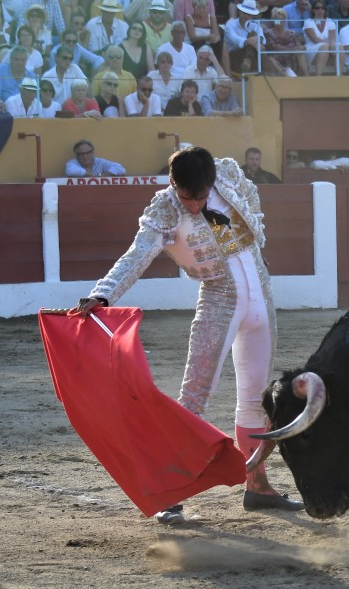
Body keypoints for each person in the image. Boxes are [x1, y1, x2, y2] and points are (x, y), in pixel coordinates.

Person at [71, 146, 304, 522]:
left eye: (200, 197)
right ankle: (168, 493)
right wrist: (104, 292)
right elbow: (138, 253)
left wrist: (258, 239)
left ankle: (257, 484)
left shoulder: (227, 175)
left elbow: (253, 200)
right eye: (186, 197)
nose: (193, 206)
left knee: (257, 400)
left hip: (262, 299)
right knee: (193, 397)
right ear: (172, 184)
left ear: (210, 183)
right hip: (217, 301)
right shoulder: (165, 208)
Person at [263, 7, 308, 76]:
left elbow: (297, 45)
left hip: (290, 58)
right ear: (273, 20)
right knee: (270, 59)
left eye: (283, 20)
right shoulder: (268, 33)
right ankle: (284, 75)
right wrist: (291, 49)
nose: (281, 22)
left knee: (300, 53)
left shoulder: (291, 33)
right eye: (278, 20)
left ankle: (307, 76)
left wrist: (301, 47)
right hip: (276, 57)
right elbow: (273, 46)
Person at [303, 0, 336, 76]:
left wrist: (331, 44)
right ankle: (318, 76)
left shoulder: (330, 22)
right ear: (313, 10)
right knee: (325, 46)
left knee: (339, 47)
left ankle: (340, 76)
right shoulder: (308, 22)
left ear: (325, 10)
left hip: (326, 48)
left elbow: (332, 39)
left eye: (322, 8)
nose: (320, 10)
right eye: (317, 8)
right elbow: (315, 40)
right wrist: (329, 44)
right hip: (312, 47)